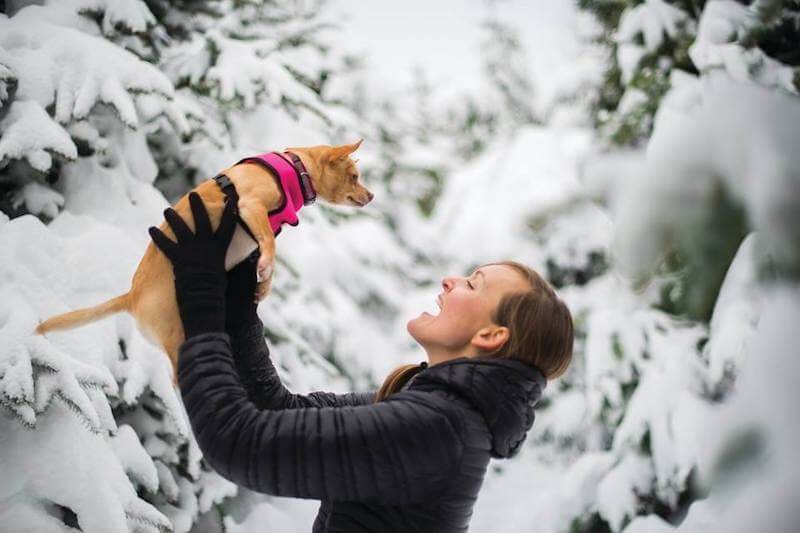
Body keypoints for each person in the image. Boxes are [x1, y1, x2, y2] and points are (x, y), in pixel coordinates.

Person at [149, 192, 574, 532]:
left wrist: (200, 293)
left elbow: (240, 444)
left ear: (490, 336)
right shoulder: (434, 411)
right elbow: (276, 411)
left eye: (472, 283)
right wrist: (237, 291)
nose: (451, 279)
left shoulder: (436, 428)